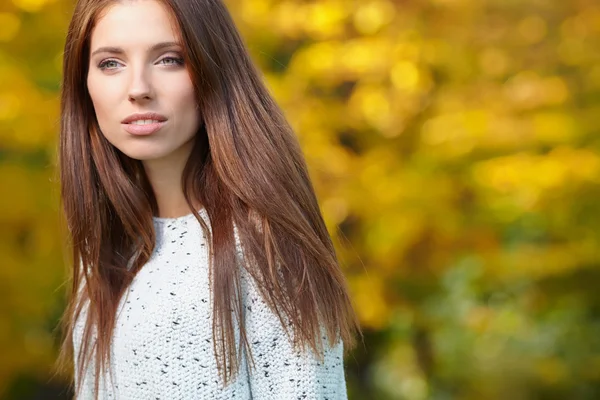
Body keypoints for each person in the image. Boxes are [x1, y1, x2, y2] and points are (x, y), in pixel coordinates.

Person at [54, 0, 362, 399]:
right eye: (111, 63)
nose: (138, 89)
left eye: (169, 59)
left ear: (212, 67)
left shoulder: (266, 246)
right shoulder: (105, 254)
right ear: (84, 83)